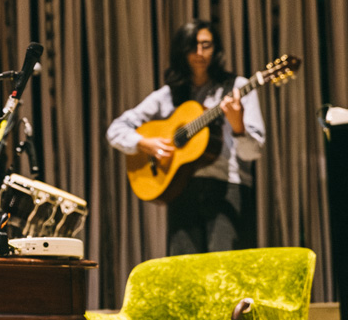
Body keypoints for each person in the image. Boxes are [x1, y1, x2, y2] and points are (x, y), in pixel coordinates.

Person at [107, 20, 265, 255]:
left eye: (206, 45)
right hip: (182, 189)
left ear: (216, 48)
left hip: (227, 190)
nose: (199, 53)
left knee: (224, 273)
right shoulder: (169, 95)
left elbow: (253, 153)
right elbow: (116, 129)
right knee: (184, 276)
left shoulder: (237, 88)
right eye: (192, 46)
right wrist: (145, 143)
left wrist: (238, 127)